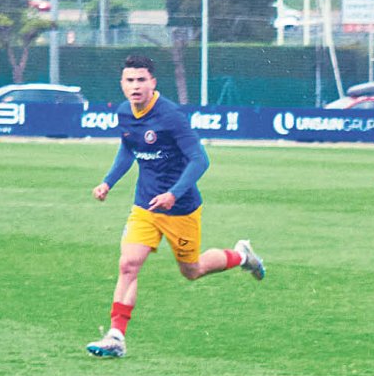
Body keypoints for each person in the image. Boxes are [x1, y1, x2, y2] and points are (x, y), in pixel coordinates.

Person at [86, 55, 265, 358]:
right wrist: (108, 182)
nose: (135, 86)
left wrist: (173, 193)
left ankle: (241, 255)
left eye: (141, 80)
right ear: (122, 84)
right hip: (145, 206)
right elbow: (128, 150)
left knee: (192, 270)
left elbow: (200, 160)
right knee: (128, 264)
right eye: (130, 80)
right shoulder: (124, 114)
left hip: (181, 209)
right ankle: (116, 336)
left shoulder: (170, 116)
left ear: (153, 82)